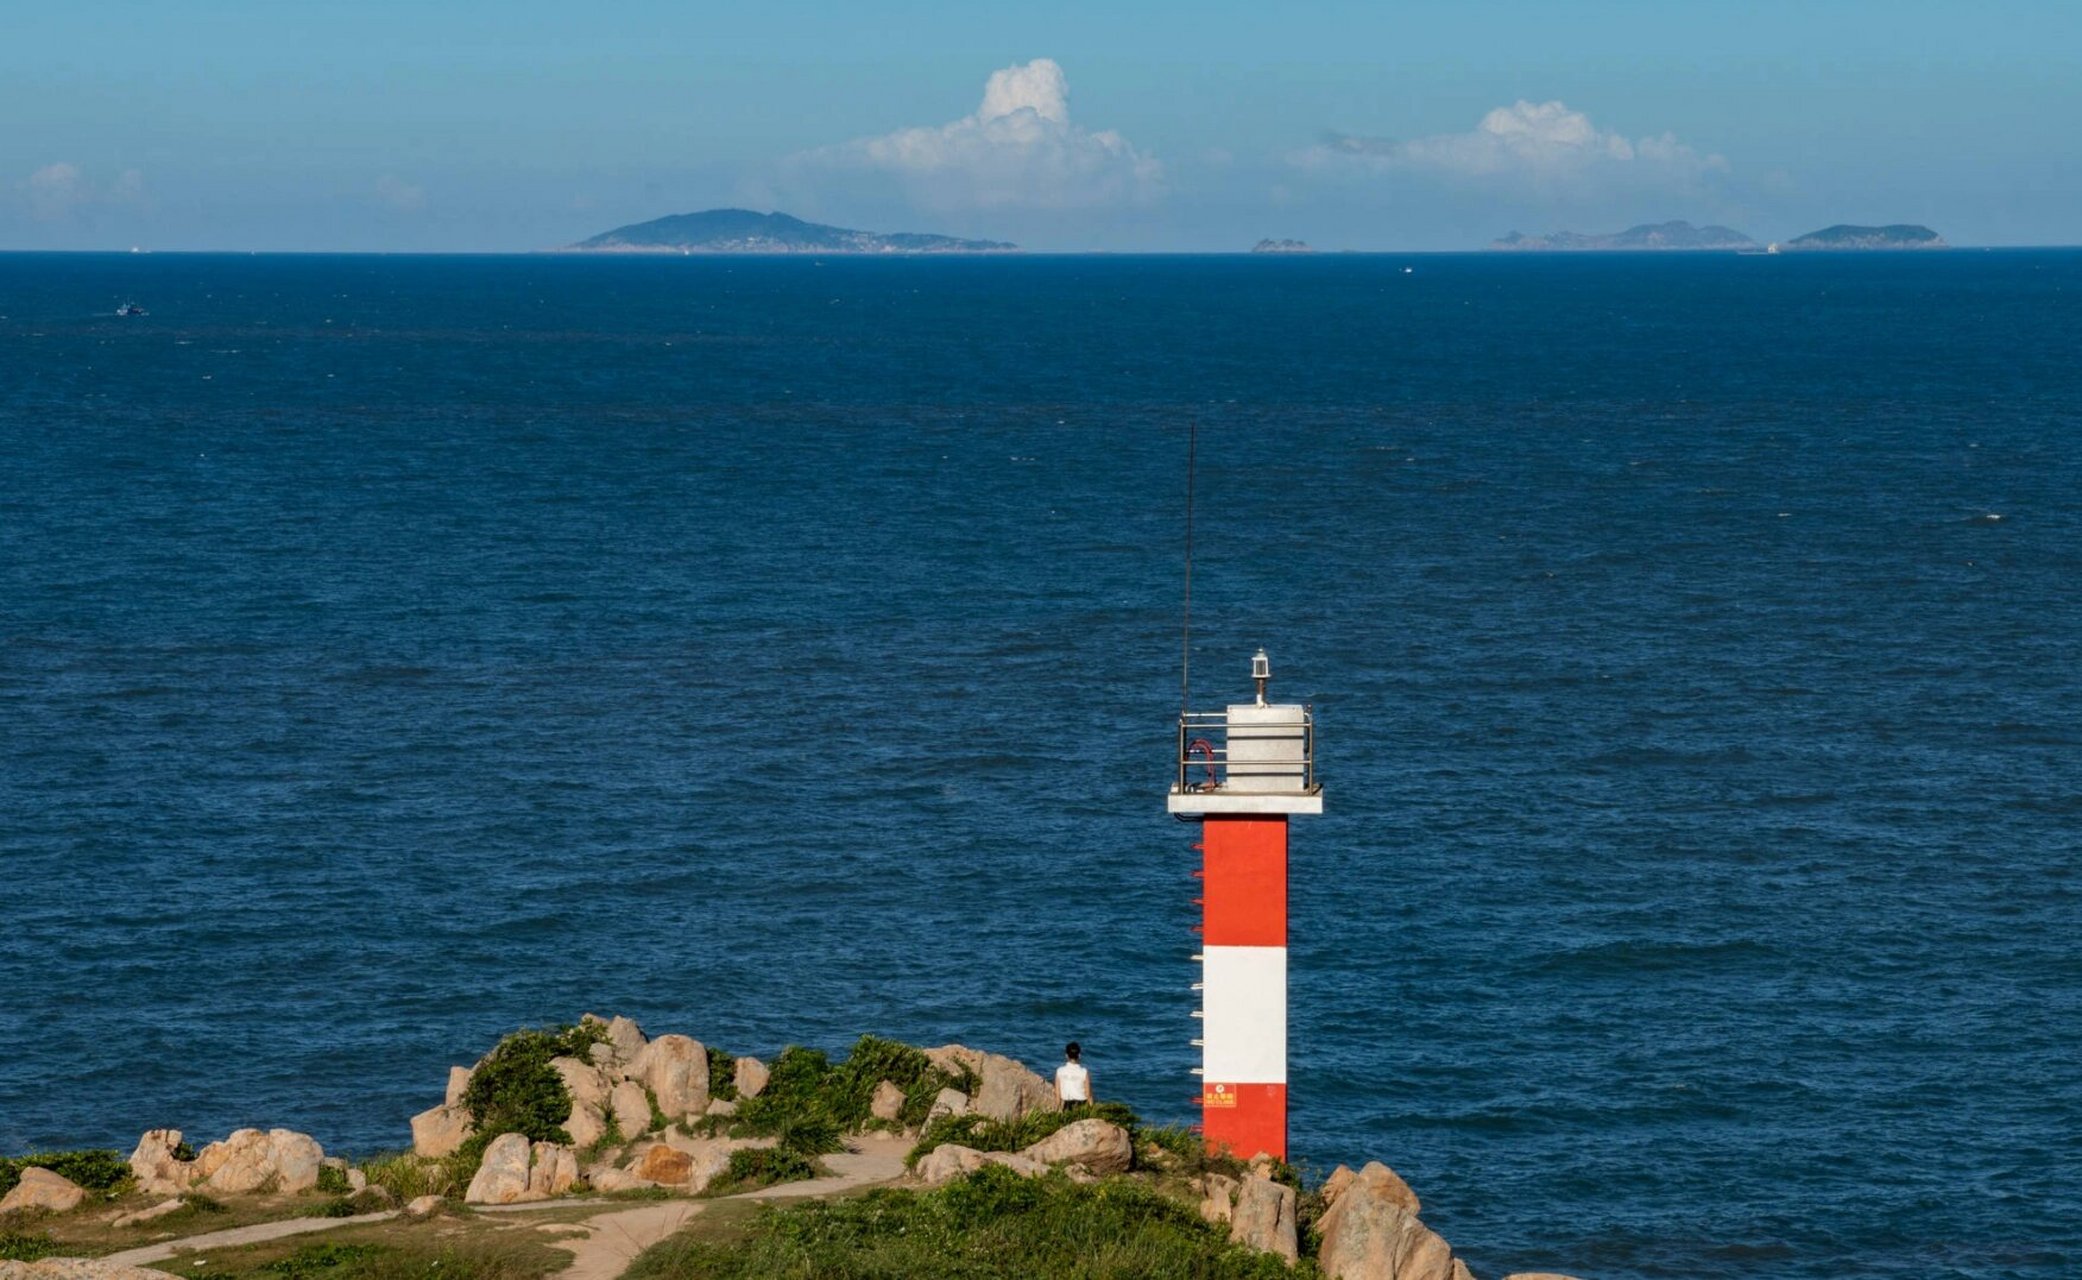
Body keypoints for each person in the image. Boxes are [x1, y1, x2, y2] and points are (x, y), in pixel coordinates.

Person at [1055, 1041, 1092, 1110]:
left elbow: (1058, 1094)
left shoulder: (1059, 1071)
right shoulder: (1084, 1072)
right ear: (1079, 1055)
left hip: (1067, 1106)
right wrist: (1092, 1109)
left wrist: (1058, 1109)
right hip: (1082, 1106)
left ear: (1066, 1055)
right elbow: (1088, 1094)